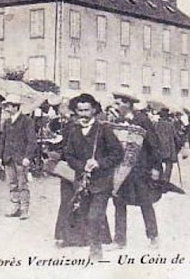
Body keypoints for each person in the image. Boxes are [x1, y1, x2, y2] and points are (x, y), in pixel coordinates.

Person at [63, 93, 124, 260]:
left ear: (94, 110)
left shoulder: (104, 130)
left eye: (86, 110)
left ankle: (96, 251)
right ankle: (92, 244)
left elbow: (117, 153)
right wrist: (81, 165)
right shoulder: (74, 131)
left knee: (94, 216)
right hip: (82, 183)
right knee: (84, 215)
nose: (83, 114)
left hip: (102, 182)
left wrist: (99, 163)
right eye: (79, 110)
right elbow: (68, 155)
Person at [110, 92, 163, 250]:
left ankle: (153, 237)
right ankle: (119, 240)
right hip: (121, 170)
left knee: (145, 203)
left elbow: (154, 145)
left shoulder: (142, 120)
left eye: (118, 102)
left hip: (140, 169)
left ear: (127, 104)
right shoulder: (117, 121)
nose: (115, 105)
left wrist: (155, 167)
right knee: (118, 202)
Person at [0, 94, 38, 220]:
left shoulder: (27, 121)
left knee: (23, 184)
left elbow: (32, 141)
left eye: (8, 106)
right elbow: (2, 140)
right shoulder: (7, 122)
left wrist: (28, 157)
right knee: (12, 184)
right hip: (8, 158)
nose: (6, 108)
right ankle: (15, 207)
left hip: (21, 159)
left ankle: (24, 209)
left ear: (16, 106)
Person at [155, 108, 181, 183]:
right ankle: (166, 180)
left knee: (158, 164)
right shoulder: (170, 125)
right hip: (169, 148)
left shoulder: (155, 125)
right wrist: (179, 144)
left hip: (158, 148)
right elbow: (176, 137)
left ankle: (159, 179)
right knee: (169, 165)